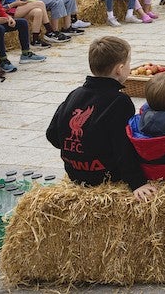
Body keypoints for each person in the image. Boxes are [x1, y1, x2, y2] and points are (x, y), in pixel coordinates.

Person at [45, 36, 156, 201]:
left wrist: (77, 153)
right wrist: (137, 182)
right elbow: (122, 148)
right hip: (104, 176)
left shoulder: (74, 94)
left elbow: (52, 135)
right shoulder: (120, 101)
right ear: (119, 69)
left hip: (75, 174)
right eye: (129, 63)